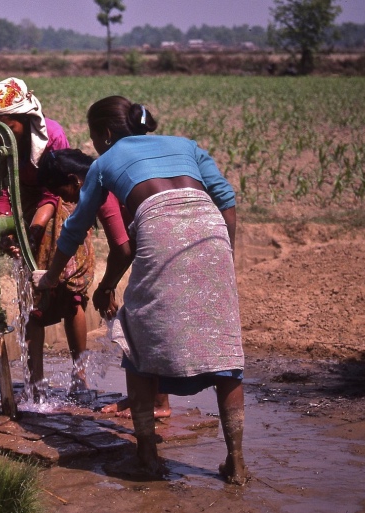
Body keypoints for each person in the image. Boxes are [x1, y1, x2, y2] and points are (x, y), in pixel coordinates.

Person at [34, 96, 248, 485]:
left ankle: (147, 457)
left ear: (105, 134)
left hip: (161, 228)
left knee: (135, 337)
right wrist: (224, 256)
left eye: (95, 138)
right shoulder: (187, 146)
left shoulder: (106, 161)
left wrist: (50, 276)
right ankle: (236, 463)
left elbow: (76, 226)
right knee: (224, 350)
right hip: (212, 231)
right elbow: (227, 200)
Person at [37, 149, 170, 417]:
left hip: (162, 239)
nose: (65, 200)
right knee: (142, 320)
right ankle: (147, 397)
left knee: (142, 319)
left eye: (63, 193)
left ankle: (157, 403)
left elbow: (122, 250)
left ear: (74, 180)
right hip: (163, 231)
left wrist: (106, 288)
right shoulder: (102, 177)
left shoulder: (100, 188)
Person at [0, 77, 90, 396]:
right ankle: (34, 382)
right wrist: (6, 229)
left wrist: (34, 232)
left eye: (4, 125)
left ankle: (79, 375)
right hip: (21, 204)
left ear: (24, 119)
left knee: (70, 295)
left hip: (58, 205)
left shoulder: (50, 135)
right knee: (32, 299)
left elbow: (53, 193)